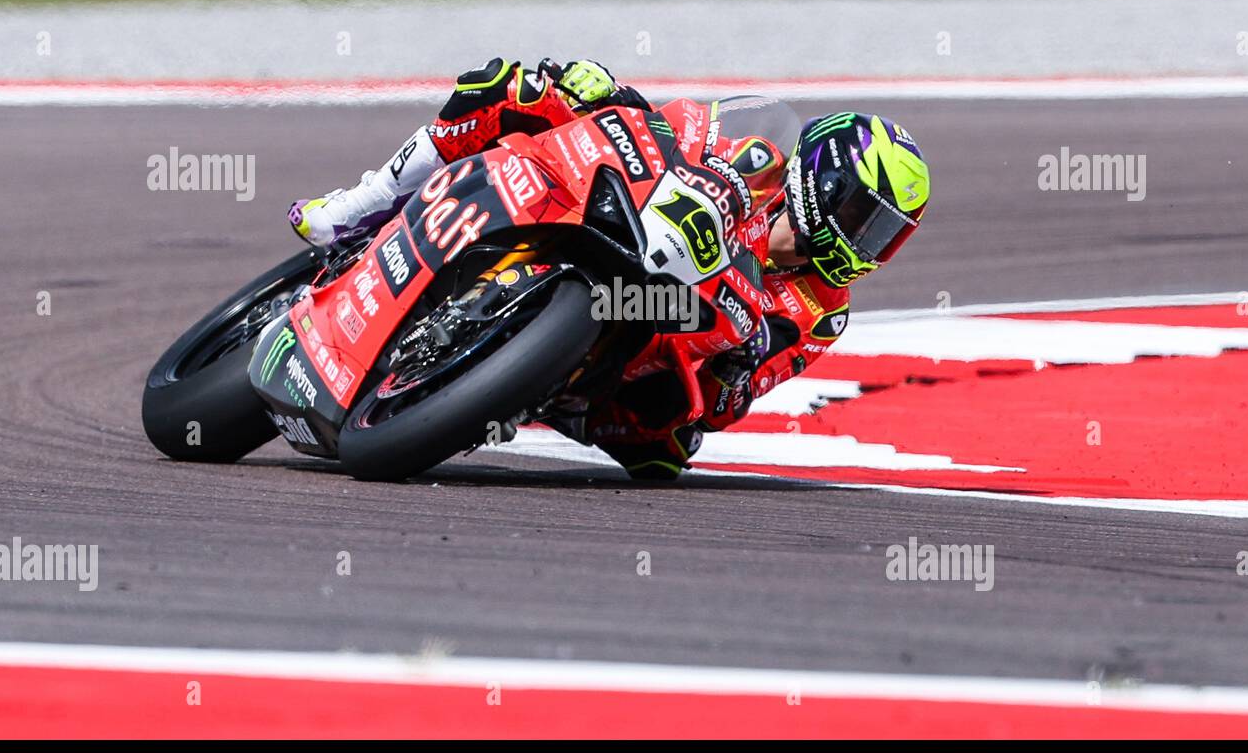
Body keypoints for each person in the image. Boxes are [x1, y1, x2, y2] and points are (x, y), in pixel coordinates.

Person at [289, 58, 931, 479]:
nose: (867, 241)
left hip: (660, 334)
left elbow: (734, 400)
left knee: (668, 455)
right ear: (827, 176)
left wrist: (736, 375)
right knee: (509, 89)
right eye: (864, 216)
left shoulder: (823, 312)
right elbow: (679, 128)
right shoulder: (761, 152)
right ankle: (358, 208)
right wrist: (606, 92)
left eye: (886, 235)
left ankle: (512, 384)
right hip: (626, 223)